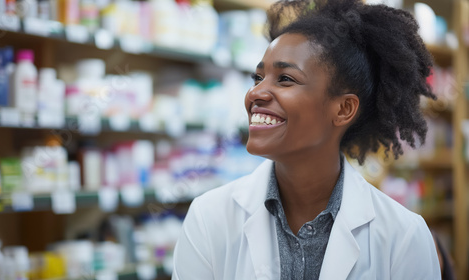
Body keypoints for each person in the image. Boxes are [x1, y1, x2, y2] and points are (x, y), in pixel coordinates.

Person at [172, 0, 442, 279]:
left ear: (343, 109)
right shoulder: (209, 218)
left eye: (285, 79)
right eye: (258, 78)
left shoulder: (404, 236)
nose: (255, 94)